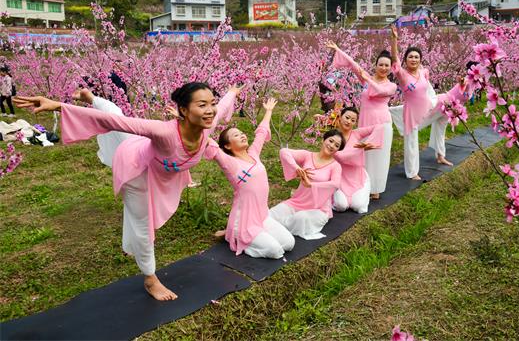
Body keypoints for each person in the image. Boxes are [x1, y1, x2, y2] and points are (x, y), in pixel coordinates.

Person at [14, 83, 241, 301]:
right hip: (137, 169)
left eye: (211, 102)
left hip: (160, 170)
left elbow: (221, 108)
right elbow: (113, 122)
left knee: (117, 110)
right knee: (142, 224)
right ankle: (151, 279)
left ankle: (91, 97)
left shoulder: (207, 124)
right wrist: (58, 106)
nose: (210, 110)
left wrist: (231, 92)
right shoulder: (163, 131)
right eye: (201, 105)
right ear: (183, 109)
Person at [203, 98, 295, 258]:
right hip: (245, 221)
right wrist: (188, 122)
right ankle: (235, 233)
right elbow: (205, 140)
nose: (242, 135)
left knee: (289, 244)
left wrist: (268, 111)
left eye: (242, 133)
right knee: (275, 251)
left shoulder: (253, 154)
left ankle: (231, 232)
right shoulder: (229, 163)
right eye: (236, 135)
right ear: (227, 146)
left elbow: (261, 133)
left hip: (262, 216)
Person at [326, 41, 397, 200]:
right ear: (376, 65)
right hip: (365, 121)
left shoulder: (391, 86)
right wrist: (338, 49)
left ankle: (376, 188)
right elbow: (353, 64)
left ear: (390, 68)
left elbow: (379, 90)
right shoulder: (367, 79)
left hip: (381, 123)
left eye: (387, 65)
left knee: (379, 156)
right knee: (363, 154)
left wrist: (368, 79)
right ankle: (363, 185)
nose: (383, 68)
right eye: (381, 64)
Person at [388, 27, 458, 180]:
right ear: (405, 60)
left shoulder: (424, 72)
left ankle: (441, 155)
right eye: (411, 57)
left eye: (417, 57)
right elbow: (394, 59)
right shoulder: (402, 74)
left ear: (420, 60)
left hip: (429, 108)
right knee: (412, 143)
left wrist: (434, 102)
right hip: (412, 113)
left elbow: (429, 89)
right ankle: (412, 172)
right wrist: (394, 40)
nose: (414, 59)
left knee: (442, 120)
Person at [270, 129, 344, 239]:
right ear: (324, 140)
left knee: (300, 218)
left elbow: (335, 184)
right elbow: (284, 152)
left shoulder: (335, 166)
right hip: (297, 202)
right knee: (272, 213)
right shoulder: (307, 156)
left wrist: (311, 185)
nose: (332, 145)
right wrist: (297, 168)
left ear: (338, 149)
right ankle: (273, 227)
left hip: (319, 209)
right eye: (331, 141)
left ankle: (274, 229)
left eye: (337, 145)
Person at [332, 106, 383, 213]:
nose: (349, 121)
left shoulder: (356, 133)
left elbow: (378, 127)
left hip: (357, 177)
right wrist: (361, 149)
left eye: (353, 120)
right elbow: (341, 157)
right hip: (340, 177)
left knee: (359, 206)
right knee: (341, 206)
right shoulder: (333, 137)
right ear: (340, 117)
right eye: (347, 117)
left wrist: (370, 142)